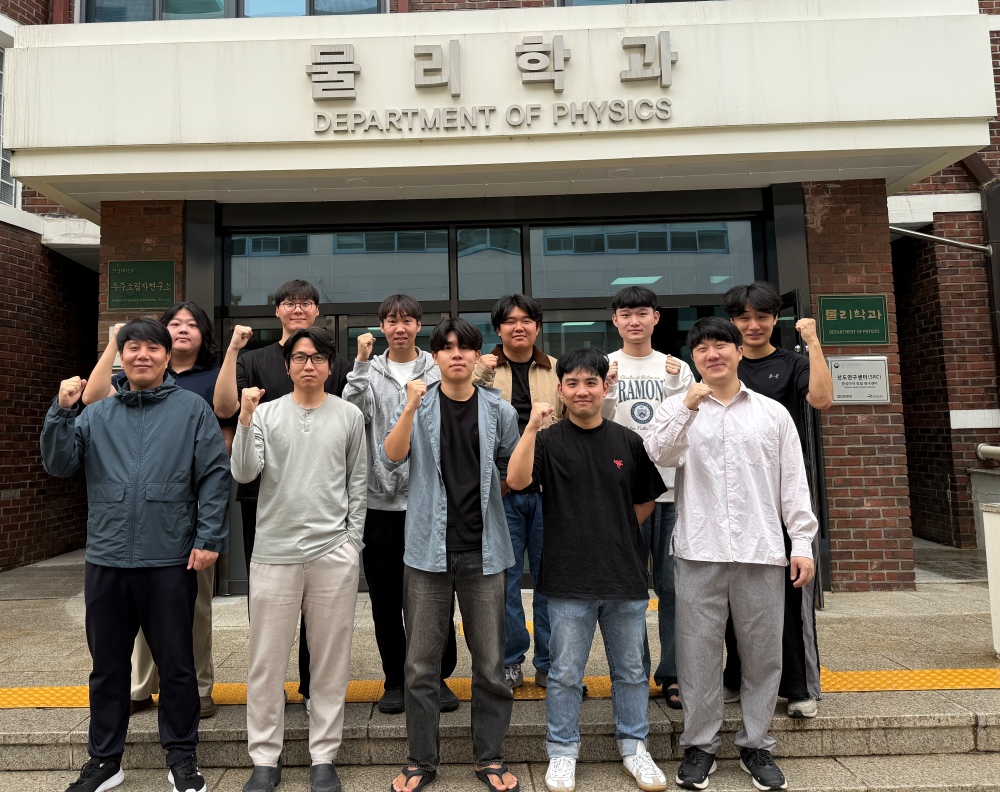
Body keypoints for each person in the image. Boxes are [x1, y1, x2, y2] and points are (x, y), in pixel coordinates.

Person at [41, 318, 230, 792]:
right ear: (120, 356)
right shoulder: (96, 413)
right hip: (106, 557)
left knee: (177, 664)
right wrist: (61, 411)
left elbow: (213, 474)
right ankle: (105, 760)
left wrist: (209, 537)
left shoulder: (191, 409)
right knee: (107, 666)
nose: (142, 355)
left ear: (166, 357)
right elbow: (59, 464)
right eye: (132, 348)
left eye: (152, 348)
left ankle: (182, 758)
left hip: (169, 557)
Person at [644, 317, 818, 792]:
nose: (712, 353)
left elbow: (793, 482)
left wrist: (802, 543)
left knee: (763, 654)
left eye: (721, 344)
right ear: (693, 358)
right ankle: (700, 745)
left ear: (740, 352)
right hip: (698, 550)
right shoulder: (676, 406)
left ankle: (756, 742)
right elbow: (658, 454)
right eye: (702, 348)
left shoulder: (771, 413)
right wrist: (687, 407)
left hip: (761, 550)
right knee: (697, 654)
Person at [506, 347, 670, 792]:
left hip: (624, 577)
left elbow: (645, 499)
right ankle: (562, 751)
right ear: (560, 389)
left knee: (631, 671)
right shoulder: (548, 441)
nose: (582, 391)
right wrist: (531, 428)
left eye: (590, 382)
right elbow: (517, 481)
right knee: (564, 674)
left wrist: (611, 527)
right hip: (567, 578)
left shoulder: (627, 441)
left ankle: (635, 746)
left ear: (604, 387)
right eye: (573, 383)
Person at [383, 318, 521, 792]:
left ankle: (490, 757)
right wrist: (408, 406)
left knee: (490, 665)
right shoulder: (418, 404)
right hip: (427, 552)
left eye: (465, 347)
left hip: (485, 551)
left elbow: (513, 470)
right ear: (435, 356)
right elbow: (392, 456)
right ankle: (420, 760)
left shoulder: (498, 409)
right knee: (420, 666)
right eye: (446, 347)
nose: (456, 354)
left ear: (478, 355)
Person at [82, 302, 235, 720]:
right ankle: (139, 685)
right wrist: (116, 343)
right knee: (134, 615)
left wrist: (208, 531)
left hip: (184, 518)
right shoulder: (124, 384)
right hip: (129, 524)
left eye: (192, 324)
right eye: (175, 323)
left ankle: (194, 688)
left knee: (189, 614)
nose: (183, 329)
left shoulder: (209, 380)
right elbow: (91, 402)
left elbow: (218, 446)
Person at [232, 328, 366, 792]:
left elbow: (358, 482)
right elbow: (244, 473)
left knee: (330, 660)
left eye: (318, 358)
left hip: (334, 554)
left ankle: (323, 756)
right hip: (274, 553)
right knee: (266, 661)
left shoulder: (349, 415)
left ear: (331, 366)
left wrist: (353, 542)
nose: (309, 365)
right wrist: (245, 420)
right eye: (300, 357)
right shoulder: (265, 413)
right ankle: (264, 758)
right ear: (287, 365)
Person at [214, 279, 351, 712]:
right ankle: (270, 685)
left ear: (316, 311)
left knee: (320, 603)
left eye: (306, 302)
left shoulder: (334, 361)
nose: (297, 308)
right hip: (263, 495)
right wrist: (233, 349)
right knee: (267, 598)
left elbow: (344, 421)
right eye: (289, 302)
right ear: (277, 311)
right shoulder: (253, 359)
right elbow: (227, 410)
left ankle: (313, 686)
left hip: (320, 498)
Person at [341, 294, 459, 715]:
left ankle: (436, 677)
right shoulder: (369, 370)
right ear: (382, 326)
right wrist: (359, 365)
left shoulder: (437, 367)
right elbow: (351, 416)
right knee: (386, 599)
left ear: (419, 326)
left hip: (430, 501)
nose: (400, 327)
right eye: (392, 320)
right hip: (379, 503)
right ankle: (395, 679)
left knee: (436, 596)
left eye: (408, 320)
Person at [721, 281, 833, 720]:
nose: (753, 325)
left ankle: (799, 686)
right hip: (733, 495)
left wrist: (814, 343)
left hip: (783, 493)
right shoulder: (721, 364)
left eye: (762, 317)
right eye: (744, 318)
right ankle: (736, 676)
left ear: (774, 319)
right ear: (733, 321)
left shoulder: (792, 363)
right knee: (731, 590)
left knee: (790, 589)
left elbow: (821, 399)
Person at [600, 286, 693, 709]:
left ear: (656, 317)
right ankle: (632, 673)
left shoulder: (679, 368)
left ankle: (673, 674)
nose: (634, 321)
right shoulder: (604, 365)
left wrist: (674, 386)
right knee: (629, 589)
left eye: (642, 313)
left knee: (674, 588)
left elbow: (688, 420)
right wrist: (608, 389)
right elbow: (595, 422)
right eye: (626, 314)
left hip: (674, 493)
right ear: (615, 320)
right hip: (623, 495)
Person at [473, 294, 563, 690]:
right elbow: (465, 415)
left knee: (551, 582)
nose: (519, 327)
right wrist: (480, 373)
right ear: (498, 329)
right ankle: (510, 661)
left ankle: (550, 662)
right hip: (501, 493)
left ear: (538, 327)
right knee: (504, 583)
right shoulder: (482, 371)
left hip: (550, 492)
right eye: (510, 321)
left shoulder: (557, 370)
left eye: (527, 320)